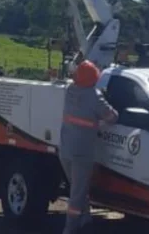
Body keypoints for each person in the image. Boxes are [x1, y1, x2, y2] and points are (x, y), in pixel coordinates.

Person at [58, 59, 118, 233]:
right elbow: (111, 117)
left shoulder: (70, 90)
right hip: (82, 153)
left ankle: (85, 221)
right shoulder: (95, 96)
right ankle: (70, 229)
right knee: (76, 196)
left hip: (65, 150)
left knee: (79, 188)